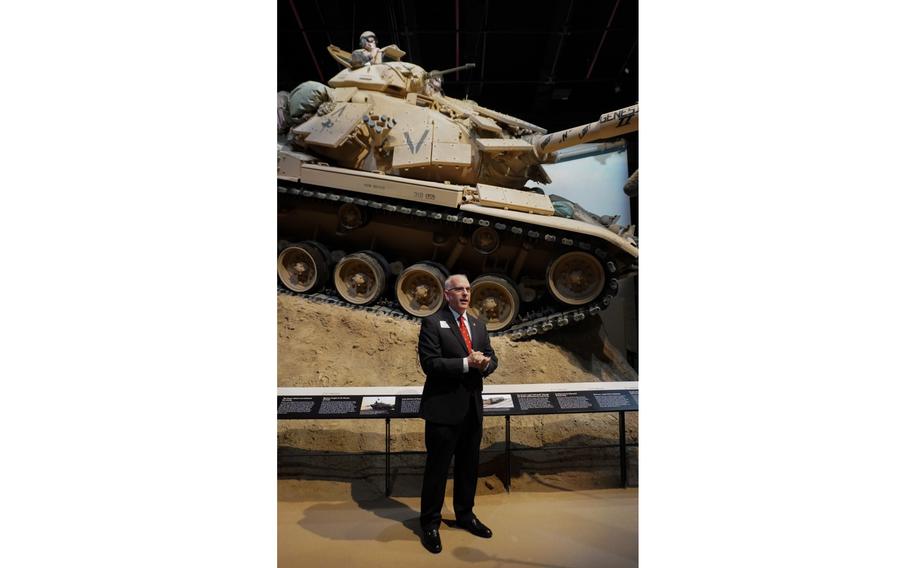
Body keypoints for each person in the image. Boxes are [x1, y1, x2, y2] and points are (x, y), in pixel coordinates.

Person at [417, 274, 498, 554]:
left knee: (468, 467)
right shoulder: (432, 322)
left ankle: (465, 515)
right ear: (446, 293)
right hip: (443, 409)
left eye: (468, 289)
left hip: (472, 410)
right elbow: (430, 364)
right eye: (459, 289)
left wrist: (485, 363)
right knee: (437, 470)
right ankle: (429, 523)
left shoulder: (477, 324)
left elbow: (491, 356)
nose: (465, 294)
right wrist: (466, 363)